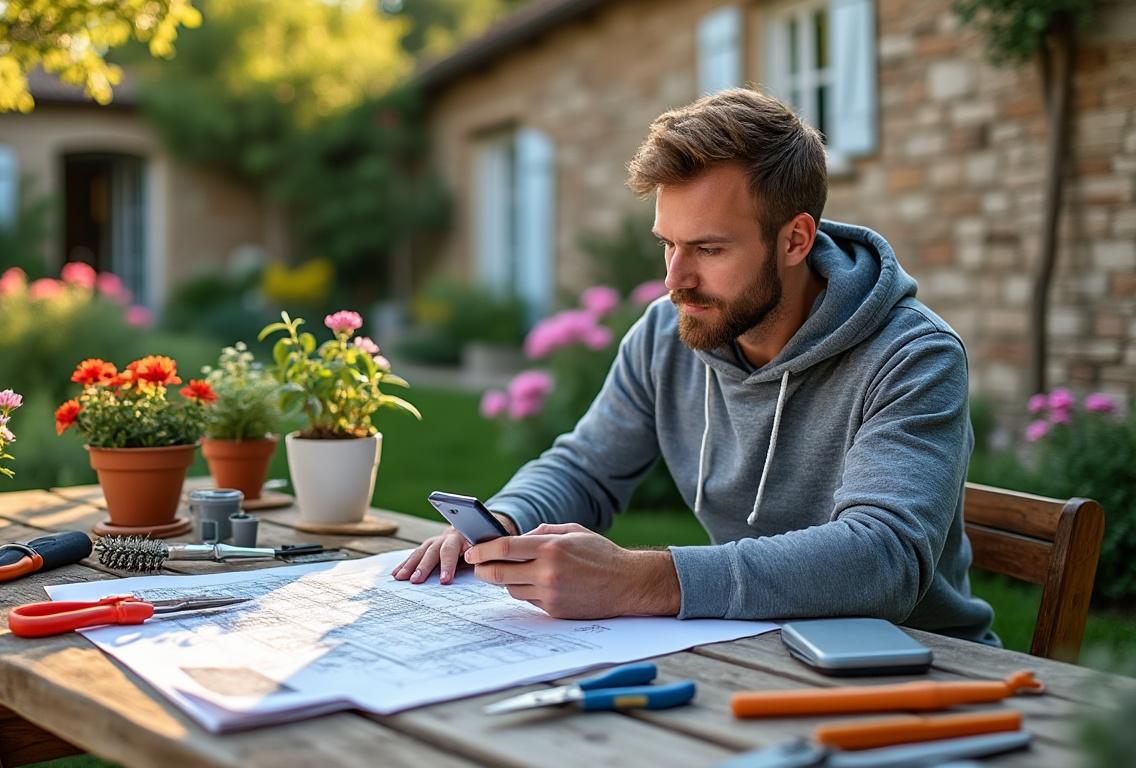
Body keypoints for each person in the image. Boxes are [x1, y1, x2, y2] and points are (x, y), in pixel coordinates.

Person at [394, 88, 997, 644]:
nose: (675, 280)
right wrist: (503, 519)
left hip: (914, 666)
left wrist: (641, 579)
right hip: (753, 646)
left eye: (708, 249)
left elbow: (883, 561)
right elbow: (586, 468)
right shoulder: (665, 333)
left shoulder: (913, 356)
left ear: (795, 240)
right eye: (667, 244)